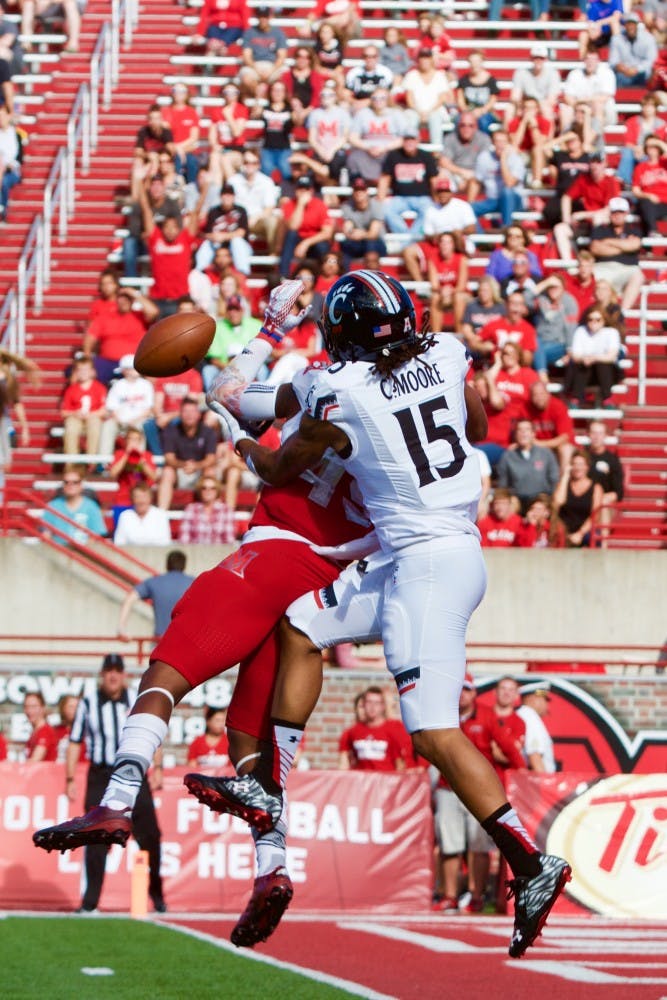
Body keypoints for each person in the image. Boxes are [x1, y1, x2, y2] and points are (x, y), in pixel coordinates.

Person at [187, 270, 571, 957]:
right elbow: (476, 425)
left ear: (343, 332)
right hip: (424, 551)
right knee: (303, 623)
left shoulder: (341, 391)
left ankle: (529, 862)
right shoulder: (447, 353)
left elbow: (277, 470)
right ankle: (270, 791)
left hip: (428, 566)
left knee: (431, 734)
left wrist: (241, 441)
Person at [33, 280, 376, 950]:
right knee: (251, 751)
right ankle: (270, 868)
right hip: (330, 583)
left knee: (165, 671)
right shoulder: (410, 403)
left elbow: (242, 413)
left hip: (277, 553)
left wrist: (271, 330)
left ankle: (116, 798)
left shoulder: (326, 386)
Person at [65, 654, 166, 913]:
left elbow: (151, 733)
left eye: (117, 671)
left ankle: (157, 894)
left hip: (133, 772)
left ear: (124, 675)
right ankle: (90, 904)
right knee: (97, 837)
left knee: (150, 836)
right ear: (102, 675)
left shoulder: (135, 700)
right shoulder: (88, 703)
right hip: (100, 775)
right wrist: (70, 777)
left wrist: (158, 769)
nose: (113, 676)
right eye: (108, 671)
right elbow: (75, 741)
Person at [433, 671, 525, 913]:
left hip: (477, 791)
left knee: (479, 847)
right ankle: (449, 896)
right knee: (449, 845)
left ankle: (476, 897)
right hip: (447, 787)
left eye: (466, 689)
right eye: (458, 689)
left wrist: (523, 773)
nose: (461, 694)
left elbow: (509, 748)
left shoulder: (486, 716)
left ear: (474, 692)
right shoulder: (442, 714)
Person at [156, 397, 218, 510]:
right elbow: (169, 458)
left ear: (199, 414)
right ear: (180, 414)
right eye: (186, 411)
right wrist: (184, 465)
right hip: (179, 471)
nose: (189, 415)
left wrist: (196, 466)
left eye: (193, 411)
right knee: (167, 471)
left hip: (200, 472)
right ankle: (162, 512)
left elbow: (211, 458)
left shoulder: (208, 432)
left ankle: (209, 512)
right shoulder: (170, 431)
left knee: (210, 471)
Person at [118, 550, 194, 642]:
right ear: (184, 565)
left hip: (160, 643)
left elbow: (130, 599)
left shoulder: (154, 582)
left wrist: (121, 628)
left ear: (167, 565)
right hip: (188, 642)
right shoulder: (194, 583)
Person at [376, 128, 439, 236]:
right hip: (399, 197)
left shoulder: (426, 156)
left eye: (412, 139)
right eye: (406, 139)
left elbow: (434, 179)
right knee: (384, 209)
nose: (409, 142)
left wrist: (436, 199)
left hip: (422, 197)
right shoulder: (393, 155)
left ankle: (409, 239)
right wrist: (380, 198)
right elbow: (385, 178)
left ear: (418, 140)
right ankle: (407, 238)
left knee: (429, 211)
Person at [338, 686, 411, 771]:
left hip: (386, 779)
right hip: (362, 780)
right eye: (369, 702)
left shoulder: (393, 729)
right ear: (363, 704)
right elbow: (345, 762)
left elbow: (400, 763)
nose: (372, 707)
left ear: (383, 706)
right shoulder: (352, 732)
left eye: (376, 703)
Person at [496, 419, 561, 514]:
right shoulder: (507, 457)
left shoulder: (546, 454)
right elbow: (503, 486)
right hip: (518, 500)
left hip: (541, 499)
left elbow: (554, 480)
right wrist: (511, 498)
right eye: (520, 430)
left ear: (533, 434)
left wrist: (547, 500)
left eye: (527, 430)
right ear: (515, 435)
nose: (523, 433)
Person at [564, 304, 621, 408]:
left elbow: (611, 356)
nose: (593, 322)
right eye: (590, 319)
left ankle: (607, 399)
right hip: (586, 371)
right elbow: (576, 355)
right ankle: (576, 399)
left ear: (604, 320)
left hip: (608, 373)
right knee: (583, 365)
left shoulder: (612, 332)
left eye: (597, 319)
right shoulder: (581, 331)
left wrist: (593, 358)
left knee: (602, 365)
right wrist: (585, 359)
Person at [99, 355, 155, 458]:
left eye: (130, 369)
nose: (128, 372)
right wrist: (121, 421)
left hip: (140, 420)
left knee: (140, 427)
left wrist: (134, 421)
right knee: (108, 426)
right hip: (120, 421)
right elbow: (112, 408)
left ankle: (139, 461)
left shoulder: (146, 385)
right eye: (126, 370)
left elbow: (149, 409)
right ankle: (104, 462)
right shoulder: (117, 385)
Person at [470, 129, 526, 229]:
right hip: (492, 200)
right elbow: (476, 181)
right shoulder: (484, 157)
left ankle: (507, 229)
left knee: (506, 192)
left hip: (513, 200)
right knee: (468, 209)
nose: (500, 145)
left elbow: (509, 183)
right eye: (497, 141)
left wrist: (503, 159)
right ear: (493, 142)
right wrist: (471, 201)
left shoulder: (516, 159)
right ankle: (481, 241)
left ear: (508, 143)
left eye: (503, 141)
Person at [552, 449, 603, 547]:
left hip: (585, 531)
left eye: (581, 464)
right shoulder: (563, 484)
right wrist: (565, 476)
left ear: (587, 467)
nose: (577, 468)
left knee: (594, 536)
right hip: (564, 530)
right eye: (574, 464)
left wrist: (580, 534)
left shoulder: (596, 488)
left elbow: (595, 516)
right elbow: (558, 502)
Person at [42, 469, 107, 545]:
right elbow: (46, 534)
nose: (70, 485)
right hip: (58, 552)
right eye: (66, 482)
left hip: (83, 552)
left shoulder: (91, 507)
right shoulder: (53, 506)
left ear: (81, 485)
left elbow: (96, 536)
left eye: (75, 482)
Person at [60, 355, 107, 458]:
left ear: (92, 371)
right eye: (80, 370)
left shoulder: (99, 388)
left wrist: (91, 414)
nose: (83, 373)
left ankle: (91, 459)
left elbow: (104, 410)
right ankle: (72, 461)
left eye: (86, 370)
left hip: (93, 417)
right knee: (70, 429)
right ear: (76, 372)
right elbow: (64, 412)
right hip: (76, 418)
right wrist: (75, 413)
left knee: (95, 427)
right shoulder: (71, 390)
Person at [525, 379, 575, 473]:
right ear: (531, 397)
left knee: (565, 449)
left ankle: (562, 483)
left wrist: (540, 444)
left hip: (556, 447)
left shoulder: (558, 406)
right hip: (536, 447)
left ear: (548, 394)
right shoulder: (526, 409)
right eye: (535, 395)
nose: (539, 398)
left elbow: (564, 437)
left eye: (541, 394)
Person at [239, 7, 288, 99]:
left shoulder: (278, 33)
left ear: (270, 17)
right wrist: (256, 69)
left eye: (265, 16)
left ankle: (262, 97)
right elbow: (247, 56)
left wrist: (271, 70)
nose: (263, 19)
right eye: (261, 16)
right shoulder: (249, 32)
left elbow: (281, 56)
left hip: (273, 65)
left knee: (286, 75)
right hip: (254, 65)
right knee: (246, 77)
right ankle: (264, 96)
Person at [339, 176, 387, 268]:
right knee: (345, 246)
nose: (359, 192)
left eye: (362, 190)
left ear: (366, 192)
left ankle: (372, 279)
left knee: (371, 246)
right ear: (353, 192)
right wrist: (351, 234)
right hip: (358, 242)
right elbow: (347, 229)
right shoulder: (347, 206)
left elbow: (374, 233)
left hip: (377, 243)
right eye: (356, 190)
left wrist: (360, 234)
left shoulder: (376, 205)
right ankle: (346, 278)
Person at [178, 474, 236, 545]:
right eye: (204, 488)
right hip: (195, 552)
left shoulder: (226, 510)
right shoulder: (191, 509)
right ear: (200, 491)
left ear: (217, 491)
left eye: (212, 488)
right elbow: (184, 539)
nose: (208, 491)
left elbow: (229, 540)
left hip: (219, 553)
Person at [609, 12, 658, 87]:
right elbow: (613, 61)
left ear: (637, 25)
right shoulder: (616, 39)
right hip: (623, 73)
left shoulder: (648, 38)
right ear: (625, 25)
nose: (631, 27)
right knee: (617, 77)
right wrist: (618, 66)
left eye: (633, 24)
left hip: (642, 73)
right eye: (628, 24)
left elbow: (652, 60)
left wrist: (637, 69)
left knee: (647, 75)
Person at [631, 134, 667, 237]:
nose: (652, 149)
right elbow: (636, 191)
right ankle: (653, 231)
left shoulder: (664, 163)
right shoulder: (640, 167)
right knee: (646, 204)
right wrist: (649, 196)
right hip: (649, 203)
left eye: (654, 147)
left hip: (665, 202)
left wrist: (658, 142)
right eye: (649, 147)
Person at [517, 683, 556, 773]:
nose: (547, 705)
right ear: (534, 698)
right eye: (545, 699)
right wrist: (544, 784)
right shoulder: (531, 719)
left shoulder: (520, 715)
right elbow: (535, 756)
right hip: (535, 782)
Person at [586, 419, 624, 506]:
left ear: (605, 435)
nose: (596, 437)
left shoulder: (613, 460)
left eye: (600, 433)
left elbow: (618, 492)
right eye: (593, 433)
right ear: (588, 434)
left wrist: (600, 499)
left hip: (603, 504)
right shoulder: (582, 458)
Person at [0, 101, 21, 221]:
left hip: (10, 171)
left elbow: (17, 158)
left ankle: (3, 207)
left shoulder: (15, 135)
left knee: (5, 181)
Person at [23, 692, 57, 762]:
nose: (29, 711)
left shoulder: (45, 731)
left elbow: (35, 760)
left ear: (42, 708)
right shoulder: (35, 732)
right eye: (26, 707)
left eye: (34, 707)